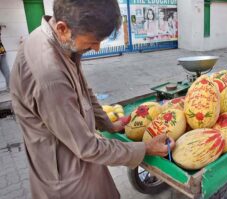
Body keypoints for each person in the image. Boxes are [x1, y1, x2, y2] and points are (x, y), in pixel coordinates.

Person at [10, 0, 175, 199]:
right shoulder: (50, 77)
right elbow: (87, 147)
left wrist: (108, 124)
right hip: (67, 178)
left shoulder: (55, 39)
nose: (96, 48)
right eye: (92, 42)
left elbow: (84, 90)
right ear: (63, 28)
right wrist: (144, 148)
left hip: (77, 155)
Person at [0, 24, 10, 90]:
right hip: (2, 52)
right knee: (7, 72)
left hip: (2, 52)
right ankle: (10, 87)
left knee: (7, 72)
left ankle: (10, 87)